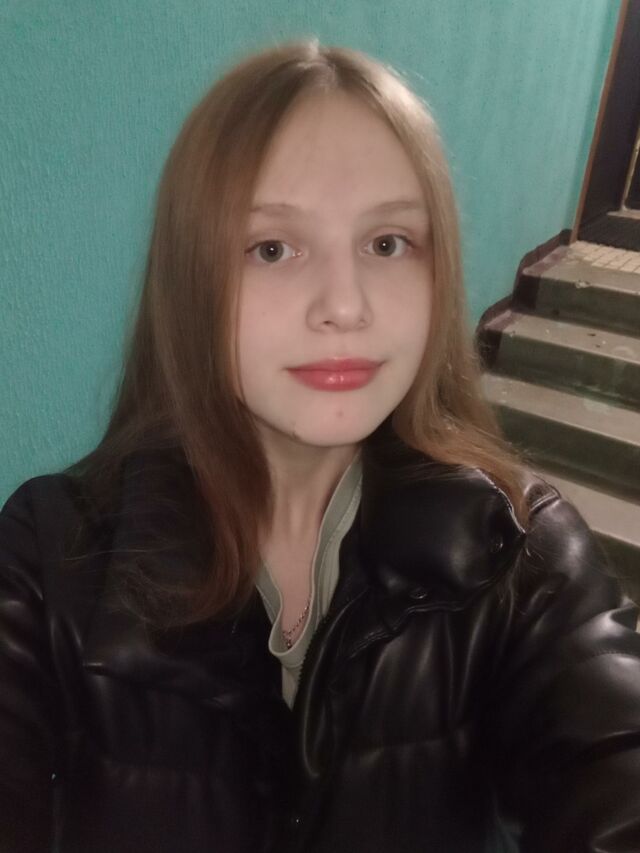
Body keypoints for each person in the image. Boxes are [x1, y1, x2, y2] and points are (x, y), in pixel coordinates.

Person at [1, 37, 639, 853]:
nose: (345, 305)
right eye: (273, 248)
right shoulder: (50, 556)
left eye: (387, 243)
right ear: (193, 278)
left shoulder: (519, 549)